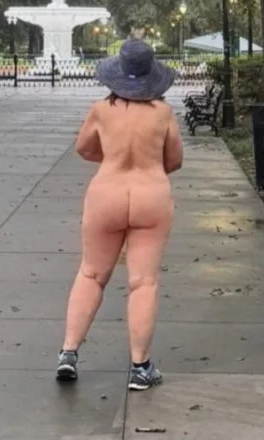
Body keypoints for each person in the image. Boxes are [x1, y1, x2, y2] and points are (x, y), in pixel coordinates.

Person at [57, 38, 183, 390]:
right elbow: (174, 160)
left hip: (106, 195)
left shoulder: (101, 110)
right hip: (151, 196)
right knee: (144, 282)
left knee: (91, 274)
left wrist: (113, 159)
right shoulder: (163, 113)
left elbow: (84, 148)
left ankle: (68, 353)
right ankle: (140, 368)